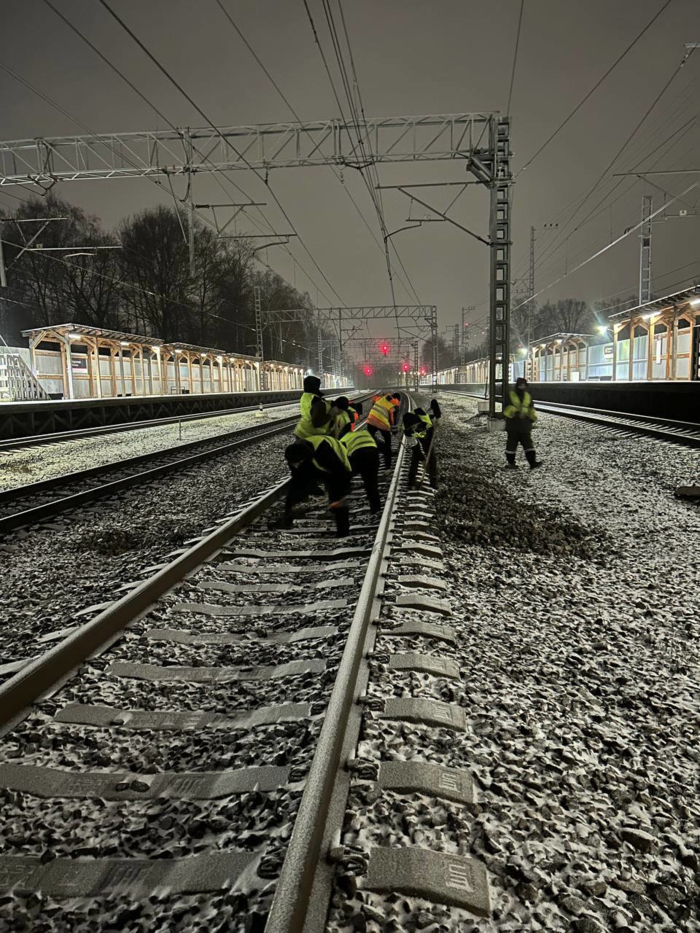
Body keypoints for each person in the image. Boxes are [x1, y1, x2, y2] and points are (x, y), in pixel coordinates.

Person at [283, 436, 353, 537]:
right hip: (315, 463)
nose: (296, 466)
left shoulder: (325, 453)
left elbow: (339, 474)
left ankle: (343, 532)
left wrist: (339, 497)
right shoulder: (295, 455)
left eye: (298, 463)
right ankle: (287, 520)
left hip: (338, 466)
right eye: (293, 464)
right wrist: (288, 508)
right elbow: (296, 482)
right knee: (301, 483)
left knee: (337, 499)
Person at [341, 427, 381, 513]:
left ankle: (343, 493)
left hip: (358, 456)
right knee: (371, 484)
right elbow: (380, 444)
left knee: (345, 475)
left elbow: (342, 458)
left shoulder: (343, 439)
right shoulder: (366, 433)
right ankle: (376, 508)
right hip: (373, 455)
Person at [503, 377, 541, 469]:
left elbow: (531, 409)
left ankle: (532, 463)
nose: (522, 387)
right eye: (521, 385)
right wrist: (517, 414)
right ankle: (512, 463)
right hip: (514, 425)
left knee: (526, 445)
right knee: (513, 445)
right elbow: (507, 409)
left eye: (524, 385)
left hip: (522, 425)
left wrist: (532, 418)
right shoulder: (511, 395)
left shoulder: (526, 396)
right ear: (517, 385)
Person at [403, 399, 441, 489]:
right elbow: (415, 448)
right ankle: (411, 481)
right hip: (420, 435)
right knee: (415, 456)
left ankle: (433, 481)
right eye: (412, 428)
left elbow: (434, 402)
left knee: (431, 456)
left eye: (414, 426)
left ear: (418, 421)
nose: (413, 429)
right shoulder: (408, 431)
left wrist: (438, 418)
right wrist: (423, 459)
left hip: (428, 431)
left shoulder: (423, 412)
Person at [294, 375, 332, 440]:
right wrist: (331, 414)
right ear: (315, 386)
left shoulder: (305, 396)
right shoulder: (317, 401)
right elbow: (316, 423)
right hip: (311, 435)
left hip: (300, 431)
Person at [366, 394, 396, 470]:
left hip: (371, 420)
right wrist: (392, 426)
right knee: (388, 443)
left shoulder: (380, 399)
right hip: (382, 423)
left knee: (370, 440)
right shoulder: (392, 404)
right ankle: (388, 466)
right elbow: (391, 416)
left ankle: (374, 456)